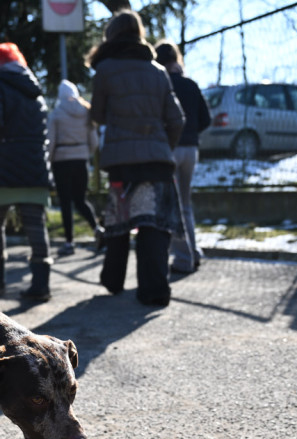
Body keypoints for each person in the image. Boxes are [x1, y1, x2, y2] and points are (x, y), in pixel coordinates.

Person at [87, 10, 185, 306]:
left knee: (119, 220)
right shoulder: (158, 71)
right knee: (153, 223)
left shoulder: (105, 70)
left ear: (111, 36)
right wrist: (161, 146)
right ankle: (154, 290)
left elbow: (97, 114)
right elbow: (177, 119)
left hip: (121, 161)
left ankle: (113, 280)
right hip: (156, 161)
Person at [0, 42, 53, 301]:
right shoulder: (34, 89)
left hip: (2, 164)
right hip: (33, 163)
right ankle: (41, 284)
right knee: (35, 225)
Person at [155, 40, 211, 274]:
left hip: (170, 148)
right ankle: (193, 250)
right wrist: (191, 133)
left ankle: (182, 257)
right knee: (185, 204)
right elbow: (206, 119)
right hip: (191, 150)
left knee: (170, 205)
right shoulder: (191, 84)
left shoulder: (161, 83)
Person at [47, 79, 99, 257]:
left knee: (65, 202)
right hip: (81, 160)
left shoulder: (56, 114)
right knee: (80, 199)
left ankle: (69, 242)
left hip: (62, 161)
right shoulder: (86, 112)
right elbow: (94, 142)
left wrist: (49, 160)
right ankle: (98, 229)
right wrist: (85, 153)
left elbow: (51, 142)